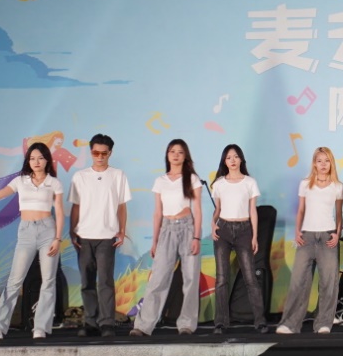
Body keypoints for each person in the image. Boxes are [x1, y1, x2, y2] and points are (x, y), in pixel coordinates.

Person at [0, 141, 65, 339]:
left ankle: (40, 328)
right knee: (14, 281)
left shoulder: (54, 183)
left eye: (40, 158)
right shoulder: (20, 181)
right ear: (28, 161)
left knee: (48, 280)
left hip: (48, 231)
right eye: (32, 158)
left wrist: (57, 238)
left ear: (47, 160)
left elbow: (59, 211)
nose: (36, 162)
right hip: (26, 231)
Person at [131, 139, 204, 336]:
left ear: (185, 156)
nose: (176, 155)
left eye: (180, 152)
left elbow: (197, 210)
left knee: (190, 279)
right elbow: (157, 213)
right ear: (167, 155)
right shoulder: (160, 181)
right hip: (167, 229)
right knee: (158, 278)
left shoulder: (192, 179)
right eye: (172, 151)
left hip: (187, 228)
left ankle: (187, 324)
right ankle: (143, 325)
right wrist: (155, 241)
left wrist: (197, 237)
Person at [276, 147, 343, 335]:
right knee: (298, 281)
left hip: (327, 236)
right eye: (319, 160)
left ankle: (323, 323)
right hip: (307, 236)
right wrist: (297, 231)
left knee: (328, 282)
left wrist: (337, 234)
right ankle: (290, 324)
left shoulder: (337, 186)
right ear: (314, 163)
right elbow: (301, 210)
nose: (323, 164)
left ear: (331, 163)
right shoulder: (305, 184)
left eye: (327, 161)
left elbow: (339, 214)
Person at [69, 133, 130, 337]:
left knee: (105, 280)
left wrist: (122, 230)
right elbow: (76, 206)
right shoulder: (80, 176)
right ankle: (90, 322)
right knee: (87, 281)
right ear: (91, 152)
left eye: (104, 153)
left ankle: (107, 323)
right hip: (84, 235)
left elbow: (122, 206)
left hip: (107, 235)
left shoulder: (118, 175)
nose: (100, 156)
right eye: (96, 153)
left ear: (110, 153)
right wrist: (72, 231)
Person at [209, 144, 268, 334]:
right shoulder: (219, 183)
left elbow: (253, 211)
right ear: (224, 162)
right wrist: (213, 223)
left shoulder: (249, 182)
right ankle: (220, 322)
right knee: (221, 278)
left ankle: (260, 321)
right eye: (228, 158)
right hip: (223, 230)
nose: (232, 160)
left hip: (244, 230)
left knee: (250, 277)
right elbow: (217, 210)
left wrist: (254, 236)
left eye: (235, 156)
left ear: (241, 159)